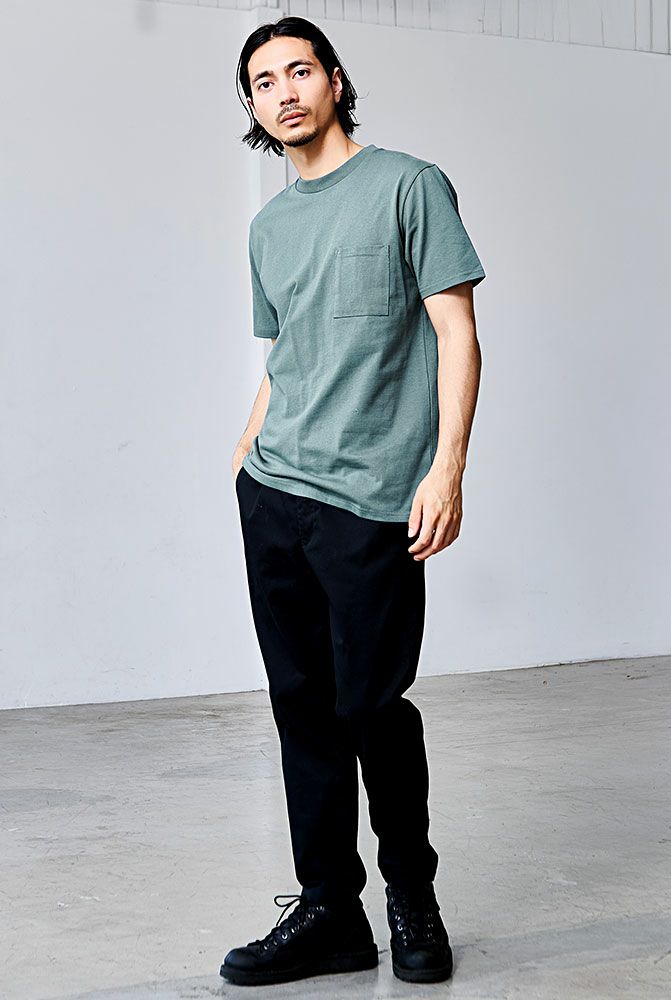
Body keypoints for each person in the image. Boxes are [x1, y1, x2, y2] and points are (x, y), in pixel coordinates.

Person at [221, 14, 486, 988]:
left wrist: (446, 469)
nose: (283, 92)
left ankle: (411, 897)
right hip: (273, 492)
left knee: (374, 707)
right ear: (254, 107)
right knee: (301, 709)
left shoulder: (409, 186)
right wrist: (244, 454)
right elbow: (285, 353)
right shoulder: (269, 227)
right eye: (263, 82)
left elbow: (456, 333)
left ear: (334, 81)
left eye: (299, 71)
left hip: (371, 497)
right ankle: (329, 910)